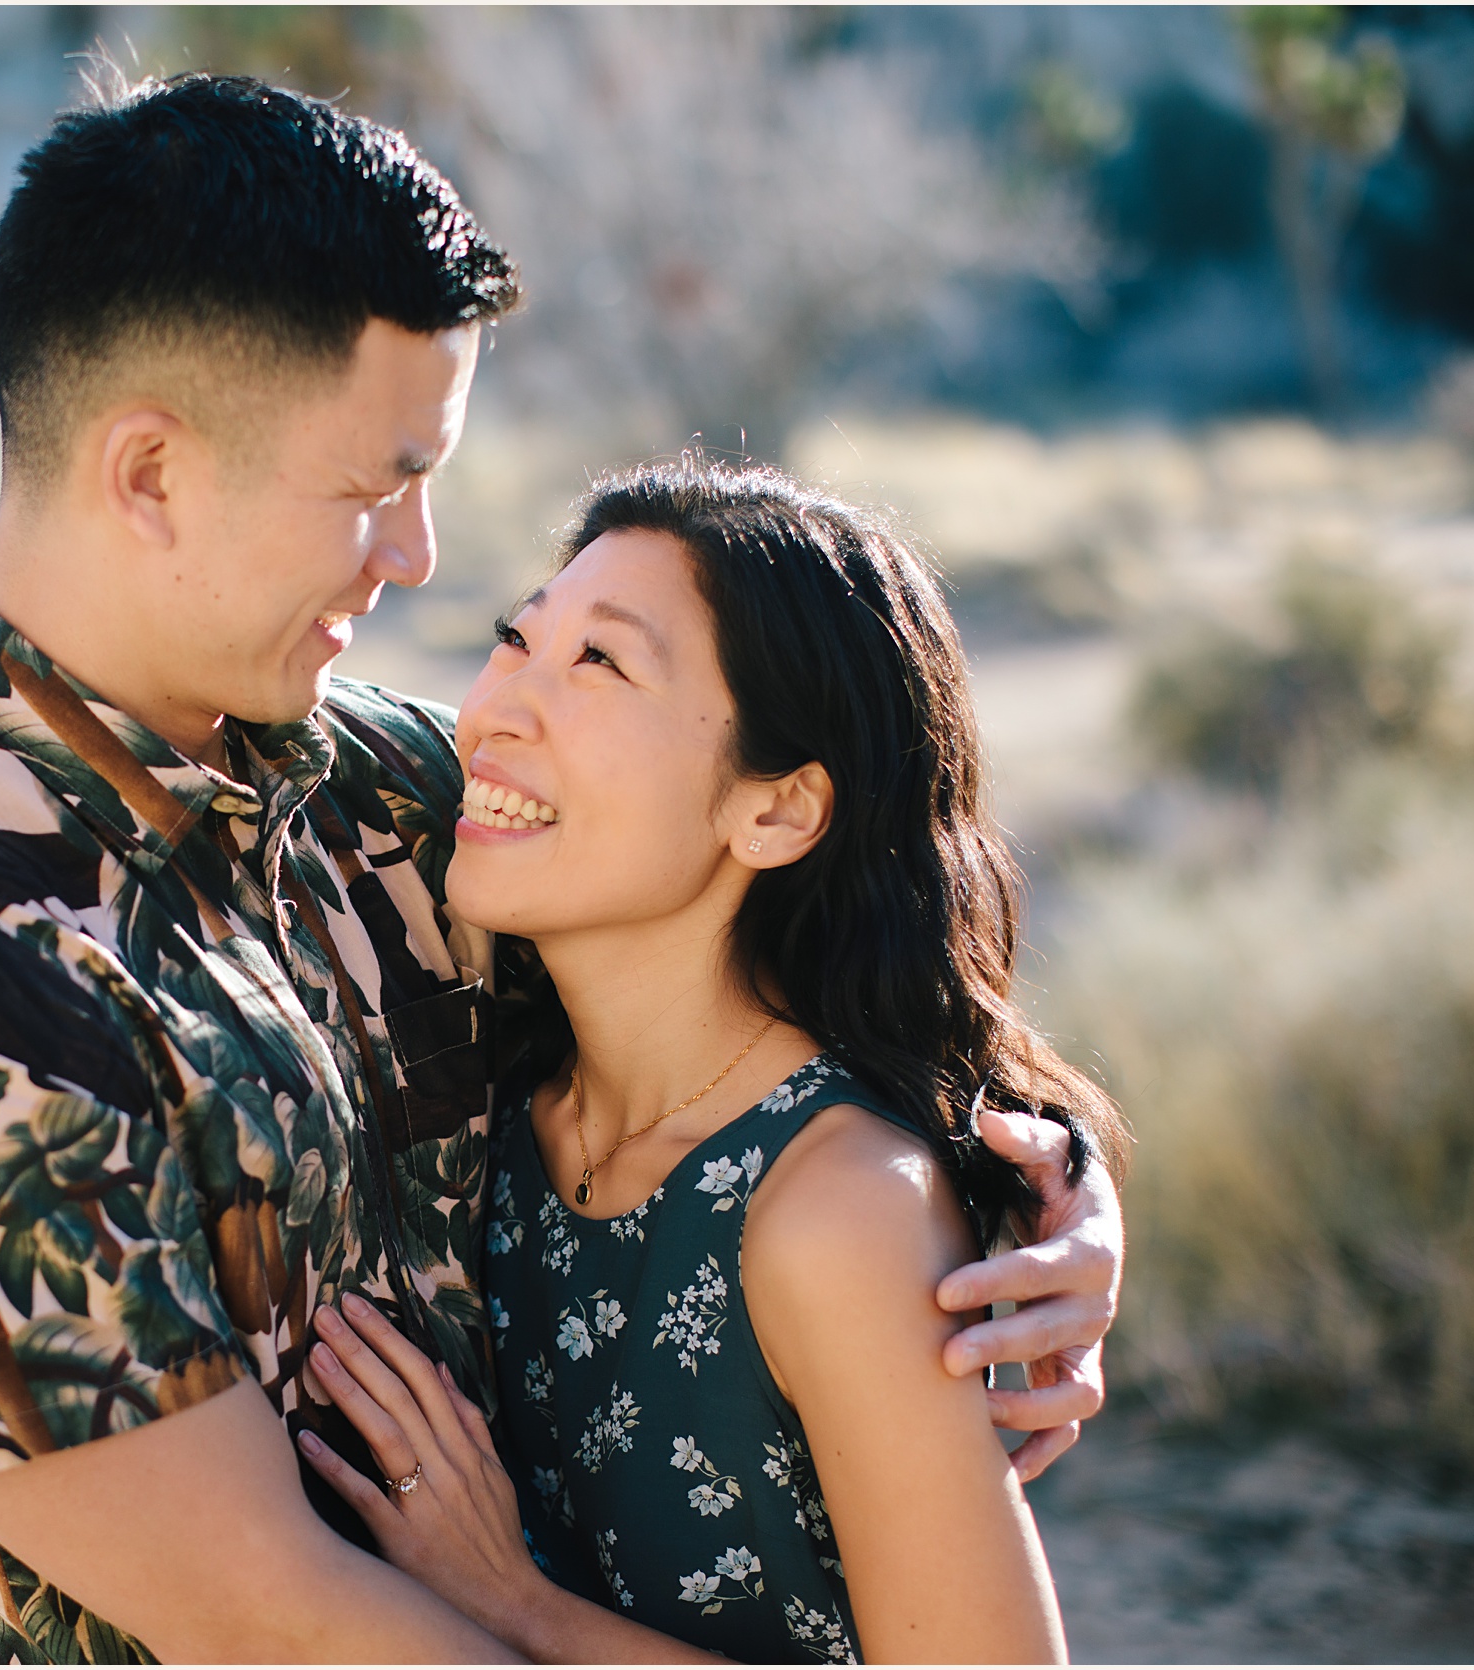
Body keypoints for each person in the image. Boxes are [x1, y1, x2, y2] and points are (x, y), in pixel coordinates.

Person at [0, 72, 1124, 1665]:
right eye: (376, 487)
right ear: (152, 473)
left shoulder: (388, 786)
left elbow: (769, 932)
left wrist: (1030, 1194)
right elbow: (291, 1623)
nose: (421, 557)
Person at [296, 461, 1128, 1663]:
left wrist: (512, 1603)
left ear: (778, 811)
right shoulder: (510, 1087)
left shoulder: (833, 1208)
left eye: (600, 664)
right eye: (514, 641)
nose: (496, 710)